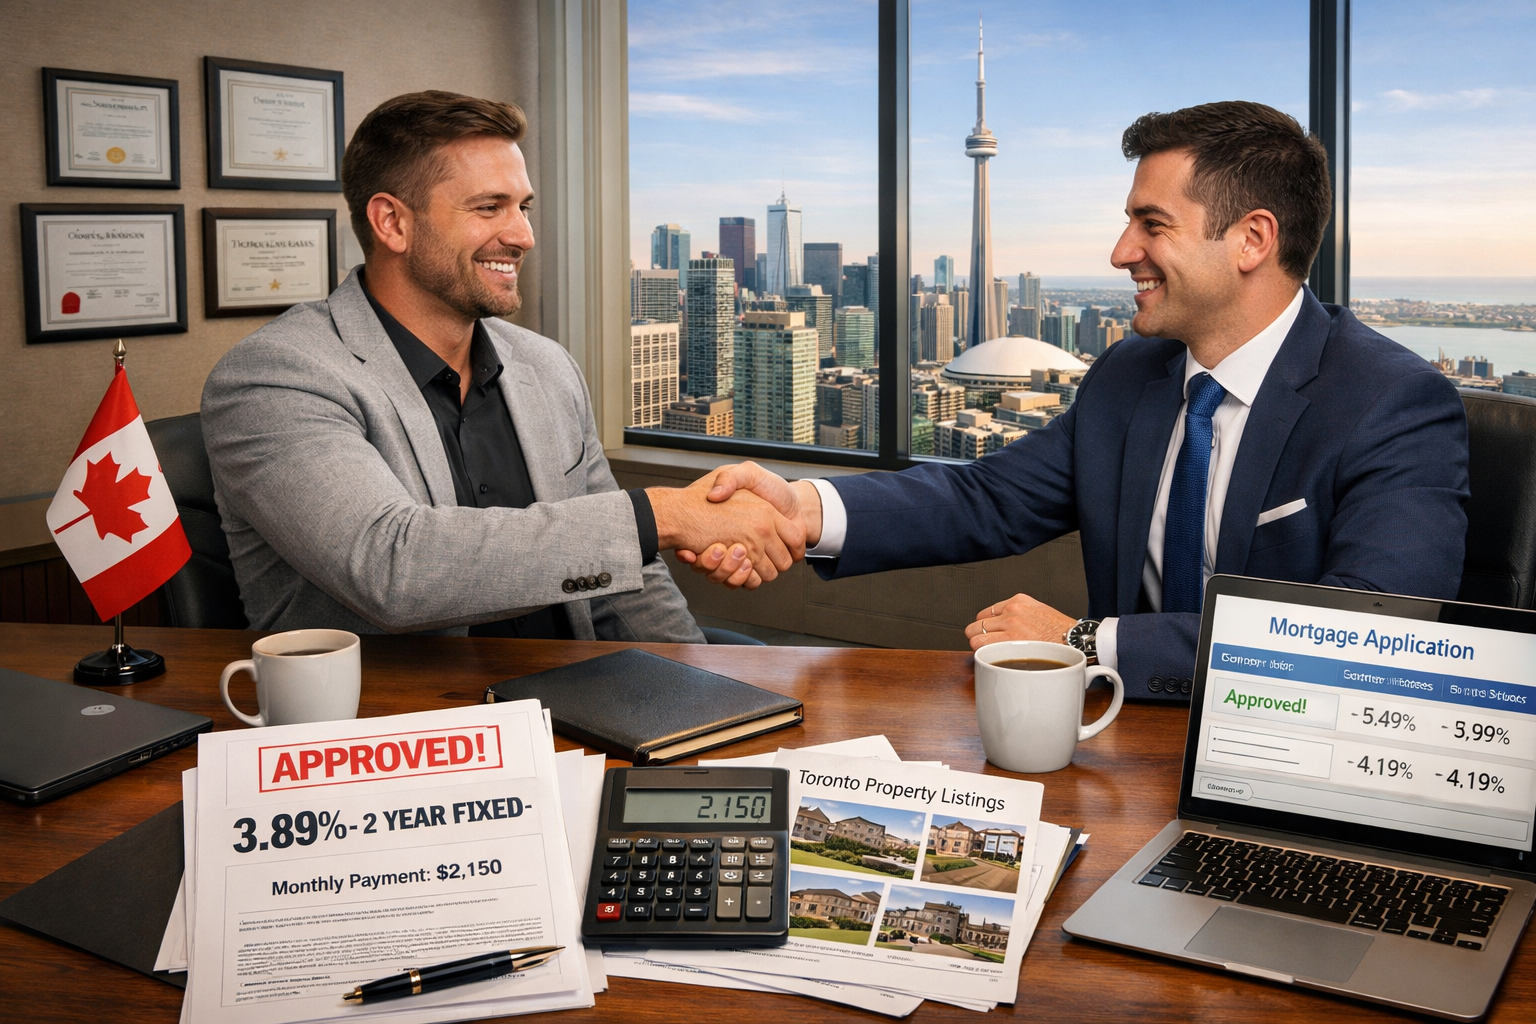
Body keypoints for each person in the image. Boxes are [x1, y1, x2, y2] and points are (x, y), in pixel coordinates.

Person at [686, 100, 1470, 700]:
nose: (1121, 251)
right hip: (1119, 743)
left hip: (1292, 774)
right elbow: (984, 498)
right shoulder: (1132, 376)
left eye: (1150, 224)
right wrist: (801, 509)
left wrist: (1091, 642)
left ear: (1252, 240)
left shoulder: (1393, 403)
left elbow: (1367, 636)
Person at [202, 91, 801, 639]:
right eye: (490, 207)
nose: (522, 235)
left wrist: (693, 688)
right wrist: (664, 514)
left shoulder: (547, 367)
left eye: (524, 207)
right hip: (405, 732)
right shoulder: (274, 377)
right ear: (392, 222)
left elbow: (626, 579)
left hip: (576, 706)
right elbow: (390, 569)